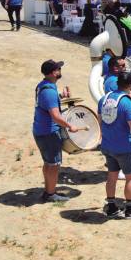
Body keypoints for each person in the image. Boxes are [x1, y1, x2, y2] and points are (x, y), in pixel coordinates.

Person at [98, 72, 131, 219]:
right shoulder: (127, 104)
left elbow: (100, 121)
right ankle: (130, 209)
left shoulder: (104, 99)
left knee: (111, 176)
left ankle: (111, 206)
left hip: (107, 145)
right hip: (124, 147)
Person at [33, 60, 79, 202]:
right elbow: (55, 116)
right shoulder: (49, 92)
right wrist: (70, 126)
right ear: (54, 72)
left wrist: (62, 96)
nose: (60, 71)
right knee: (53, 165)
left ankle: (48, 191)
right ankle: (51, 194)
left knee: (48, 163)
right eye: (58, 69)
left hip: (40, 130)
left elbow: (47, 103)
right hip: (49, 133)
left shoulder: (43, 86)